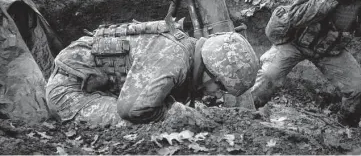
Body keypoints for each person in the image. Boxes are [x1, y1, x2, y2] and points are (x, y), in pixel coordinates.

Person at [46, 20, 259, 126]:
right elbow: (132, 110)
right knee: (134, 125)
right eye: (221, 87)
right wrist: (176, 114)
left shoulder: (186, 52)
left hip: (97, 87)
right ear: (210, 70)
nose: (219, 95)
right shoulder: (174, 58)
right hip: (70, 91)